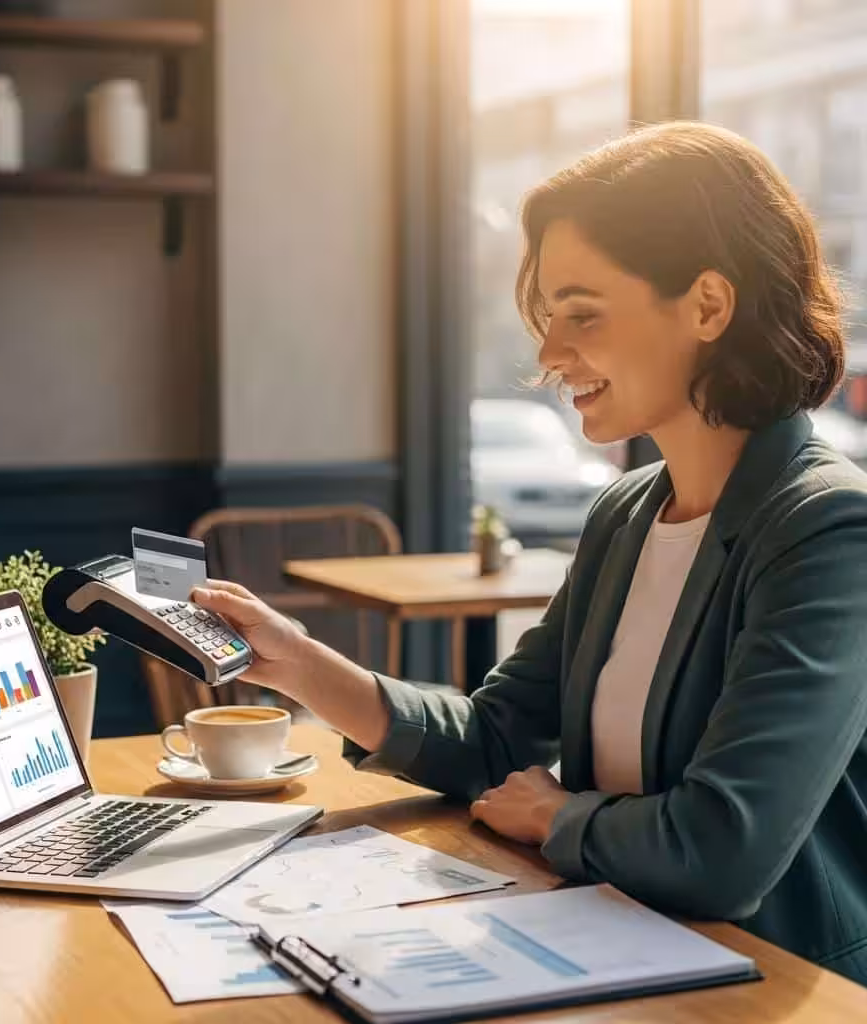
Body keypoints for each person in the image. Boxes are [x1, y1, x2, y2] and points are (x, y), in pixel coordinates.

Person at [192, 121, 867, 985]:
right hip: (621, 950)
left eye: (581, 316)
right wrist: (304, 667)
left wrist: (559, 817)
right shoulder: (626, 514)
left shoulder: (825, 526)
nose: (548, 356)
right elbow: (495, 741)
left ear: (707, 305)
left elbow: (723, 850)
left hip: (773, 982)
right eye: (549, 319)